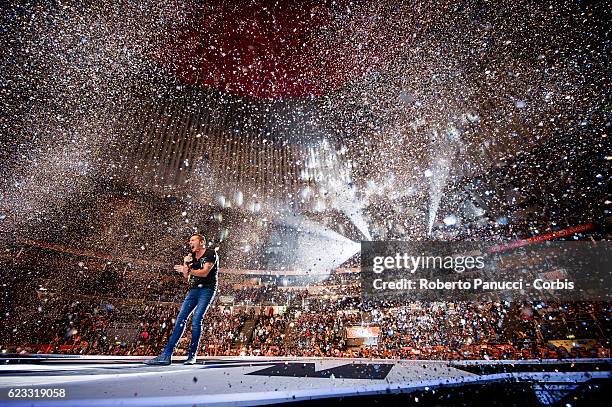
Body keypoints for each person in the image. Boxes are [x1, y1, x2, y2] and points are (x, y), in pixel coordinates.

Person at [145, 234, 219, 365]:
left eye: (193, 240)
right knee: (180, 319)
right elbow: (186, 276)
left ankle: (192, 355)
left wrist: (188, 269)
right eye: (189, 240)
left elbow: (205, 272)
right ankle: (166, 355)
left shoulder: (210, 253)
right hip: (193, 289)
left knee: (196, 319)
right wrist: (186, 264)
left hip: (207, 289)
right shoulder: (191, 258)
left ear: (201, 242)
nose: (190, 242)